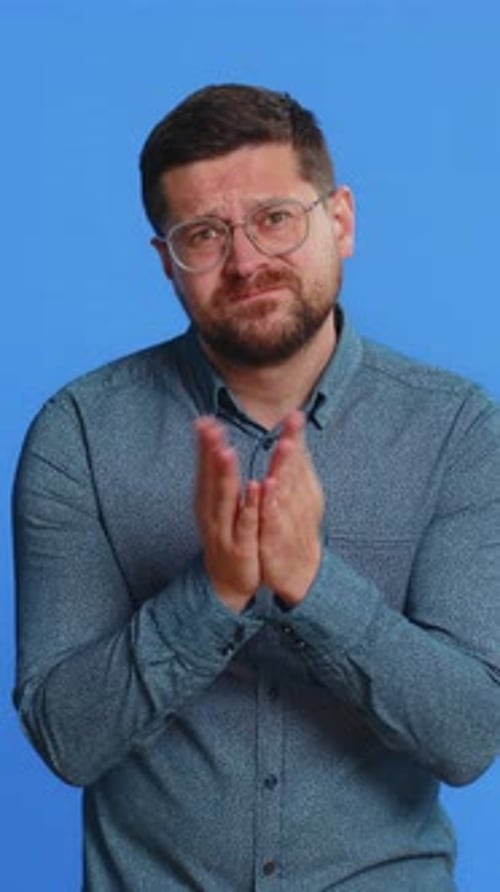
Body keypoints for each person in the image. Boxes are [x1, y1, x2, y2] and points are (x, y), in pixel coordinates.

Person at [12, 83, 500, 892]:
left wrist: (315, 585)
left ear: (338, 220)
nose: (245, 261)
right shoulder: (81, 436)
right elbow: (68, 739)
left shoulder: (458, 432)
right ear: (166, 261)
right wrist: (216, 591)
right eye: (203, 234)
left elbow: (470, 734)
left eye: (276, 218)